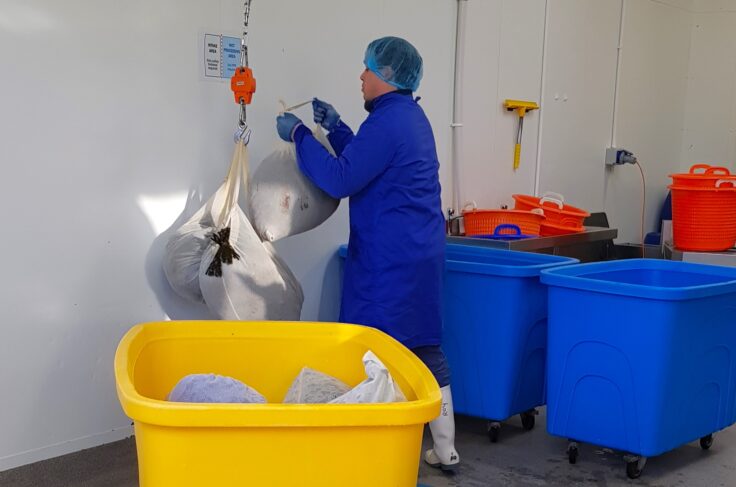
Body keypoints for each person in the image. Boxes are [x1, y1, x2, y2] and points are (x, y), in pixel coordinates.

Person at [275, 36, 460, 471]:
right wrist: (337, 130)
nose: (360, 76)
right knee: (425, 347)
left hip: (388, 261)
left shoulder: (388, 123)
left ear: (387, 76)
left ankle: (366, 450)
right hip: (420, 253)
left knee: (371, 349)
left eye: (367, 69)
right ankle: (446, 448)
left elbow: (341, 179)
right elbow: (368, 160)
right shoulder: (407, 118)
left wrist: (301, 135)